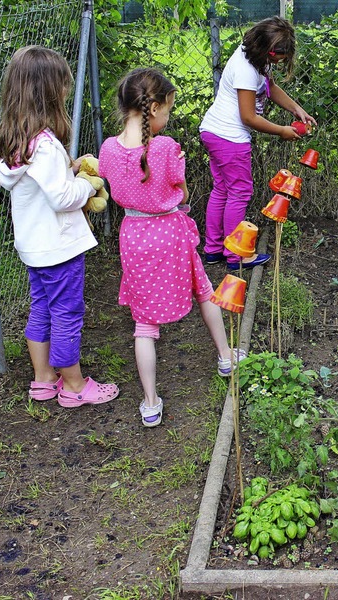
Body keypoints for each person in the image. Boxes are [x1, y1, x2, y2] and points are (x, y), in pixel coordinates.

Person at [98, 67, 242, 428]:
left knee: (144, 324)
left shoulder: (108, 149)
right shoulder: (165, 148)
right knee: (203, 291)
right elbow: (182, 191)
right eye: (168, 108)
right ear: (156, 107)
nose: (168, 115)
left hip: (134, 235)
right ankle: (225, 357)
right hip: (171, 232)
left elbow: (111, 183)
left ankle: (149, 403)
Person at [0, 46, 120, 409]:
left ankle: (44, 379)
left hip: (34, 246)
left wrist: (69, 166)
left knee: (42, 308)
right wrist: (88, 184)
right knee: (67, 313)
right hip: (58, 248)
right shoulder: (45, 145)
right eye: (63, 85)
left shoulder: (12, 142)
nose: (66, 91)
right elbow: (63, 197)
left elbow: (40, 184)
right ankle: (75, 385)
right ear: (49, 91)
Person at [199, 15, 317, 270]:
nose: (279, 59)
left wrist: (296, 109)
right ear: (264, 47)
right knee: (240, 192)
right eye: (276, 54)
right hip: (229, 138)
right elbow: (249, 117)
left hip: (214, 131)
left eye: (282, 55)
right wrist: (282, 131)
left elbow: (270, 87)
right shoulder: (245, 69)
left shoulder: (254, 57)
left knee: (222, 190)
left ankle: (213, 249)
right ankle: (236, 255)